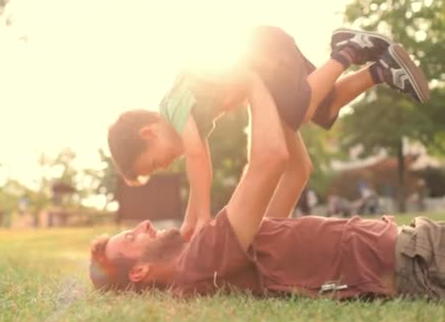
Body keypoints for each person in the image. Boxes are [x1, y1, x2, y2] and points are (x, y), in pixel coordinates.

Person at [90, 67, 443, 301]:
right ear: (139, 271)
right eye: (132, 238)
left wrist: (267, 102)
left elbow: (295, 171)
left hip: (411, 247)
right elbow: (270, 158)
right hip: (414, 259)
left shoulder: (227, 254)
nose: (145, 226)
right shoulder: (197, 263)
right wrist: (253, 82)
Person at [107, 26, 430, 240]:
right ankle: (381, 70)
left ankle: (349, 50)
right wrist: (190, 222)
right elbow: (200, 169)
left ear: (149, 133)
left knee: (298, 110)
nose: (164, 166)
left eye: (153, 163)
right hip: (267, 56)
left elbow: (197, 162)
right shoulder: (191, 117)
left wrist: (202, 218)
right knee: (323, 107)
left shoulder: (174, 107)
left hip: (262, 54)